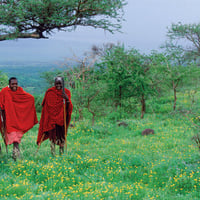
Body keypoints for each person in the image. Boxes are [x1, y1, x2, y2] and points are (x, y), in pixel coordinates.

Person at [0, 77, 38, 160]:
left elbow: (30, 98)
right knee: (14, 138)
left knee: (16, 139)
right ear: (9, 84)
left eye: (16, 84)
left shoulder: (20, 90)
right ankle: (16, 155)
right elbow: (1, 104)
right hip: (9, 120)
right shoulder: (4, 91)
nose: (15, 85)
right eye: (12, 84)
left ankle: (16, 155)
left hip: (18, 119)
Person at [36, 76, 73, 155]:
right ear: (54, 84)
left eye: (60, 84)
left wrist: (67, 99)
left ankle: (61, 154)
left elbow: (69, 108)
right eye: (57, 84)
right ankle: (53, 153)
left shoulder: (67, 92)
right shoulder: (50, 92)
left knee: (62, 138)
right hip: (51, 120)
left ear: (63, 84)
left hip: (62, 119)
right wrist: (46, 118)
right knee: (52, 138)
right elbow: (46, 107)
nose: (58, 85)